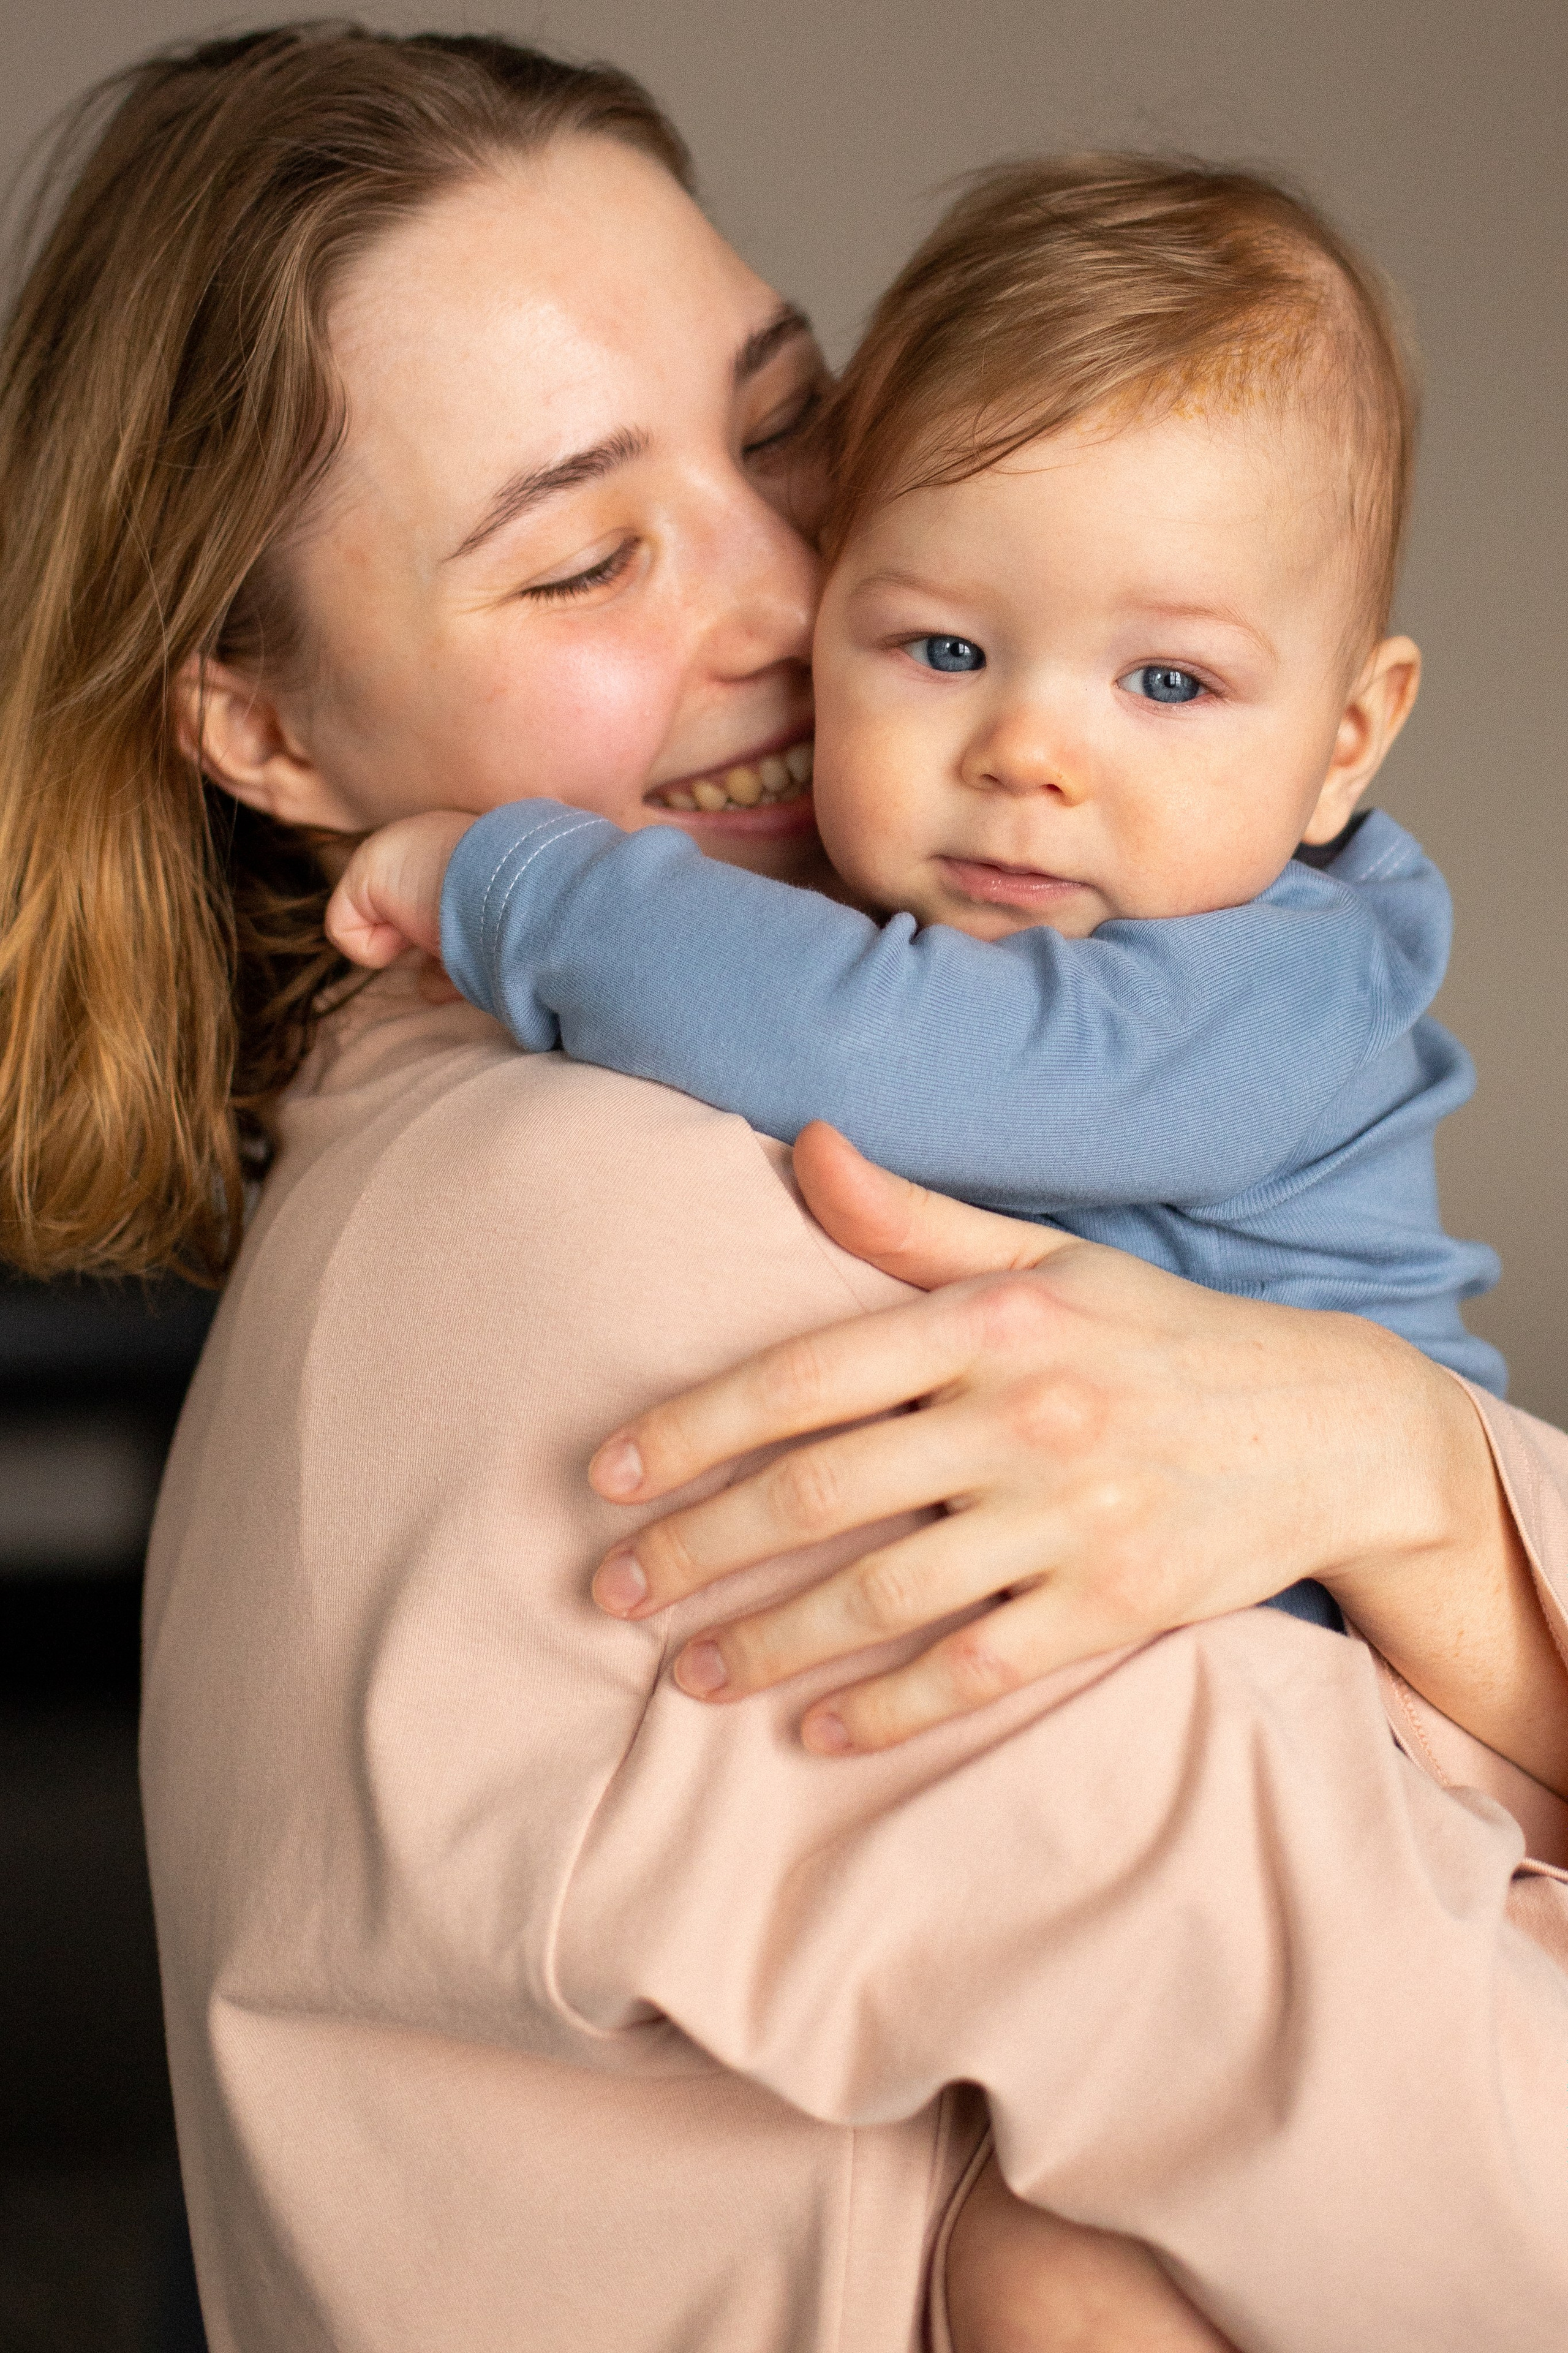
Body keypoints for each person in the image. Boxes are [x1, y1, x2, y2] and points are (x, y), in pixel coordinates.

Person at [2, 25, 1567, 2352]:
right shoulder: (610, 1226)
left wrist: (1410, 1472)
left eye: (782, 428)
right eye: (586, 555)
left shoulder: (604, 1143)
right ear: (263, 722)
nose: (782, 593)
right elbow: (1497, 2174)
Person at [328, 155, 1506, 1481]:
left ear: (1345, 742)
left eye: (1167, 681)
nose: (1026, 757)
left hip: (1326, 1618)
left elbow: (868, 1044)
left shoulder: (1292, 982)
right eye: (944, 651)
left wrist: (521, 888)